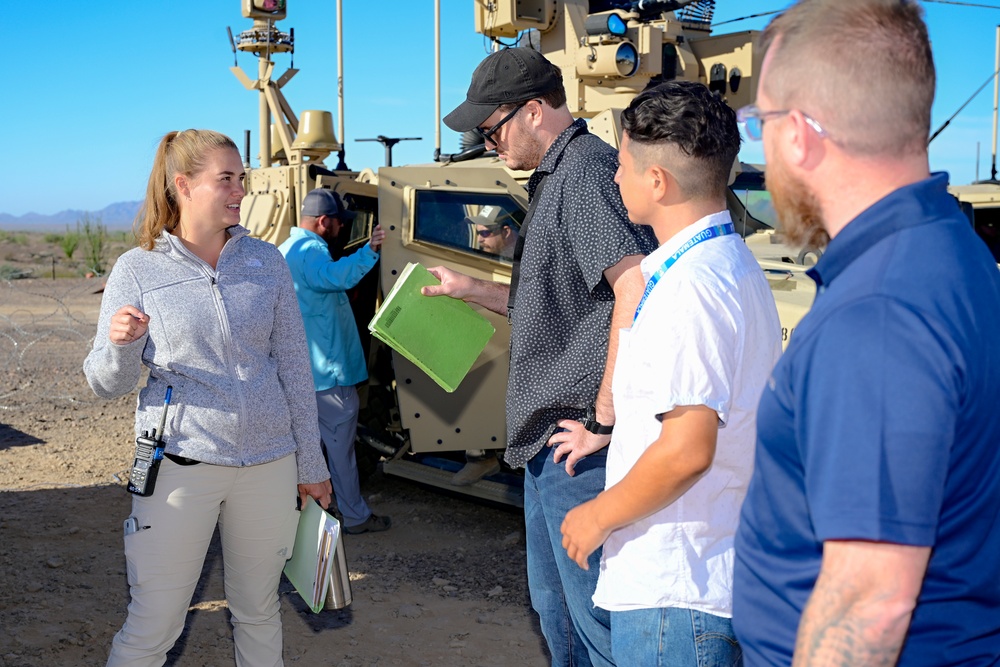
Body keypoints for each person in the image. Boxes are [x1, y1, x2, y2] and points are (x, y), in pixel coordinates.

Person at [731, 1, 1000, 665]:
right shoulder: (950, 248)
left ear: (799, 134)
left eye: (760, 122)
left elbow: (870, 605)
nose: (763, 146)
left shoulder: (877, 313)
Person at [425, 47, 657, 665]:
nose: (485, 141)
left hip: (578, 447)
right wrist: (472, 290)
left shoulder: (583, 174)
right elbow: (564, 304)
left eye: (489, 127)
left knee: (596, 623)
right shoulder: (561, 177)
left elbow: (634, 288)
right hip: (551, 447)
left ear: (532, 112)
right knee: (560, 615)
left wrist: (605, 422)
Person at [83, 129, 333, 666]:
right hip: (179, 465)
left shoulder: (266, 261)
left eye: (241, 178)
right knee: (154, 623)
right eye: (226, 179)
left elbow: (293, 366)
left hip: (268, 463)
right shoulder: (138, 268)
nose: (240, 189)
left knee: (259, 611)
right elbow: (107, 381)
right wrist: (120, 345)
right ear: (183, 185)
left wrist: (310, 462)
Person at [559, 81, 781, 666]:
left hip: (676, 595)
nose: (614, 178)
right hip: (704, 576)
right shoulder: (730, 266)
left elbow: (687, 449)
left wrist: (594, 517)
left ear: (657, 182)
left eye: (624, 165)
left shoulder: (691, 289)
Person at [278, 188, 391, 535]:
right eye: (340, 223)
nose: (342, 228)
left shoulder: (283, 251)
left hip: (301, 373)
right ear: (324, 222)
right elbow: (335, 277)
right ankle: (355, 516)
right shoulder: (311, 250)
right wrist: (370, 250)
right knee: (340, 451)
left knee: (302, 452)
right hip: (328, 375)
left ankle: (300, 520)